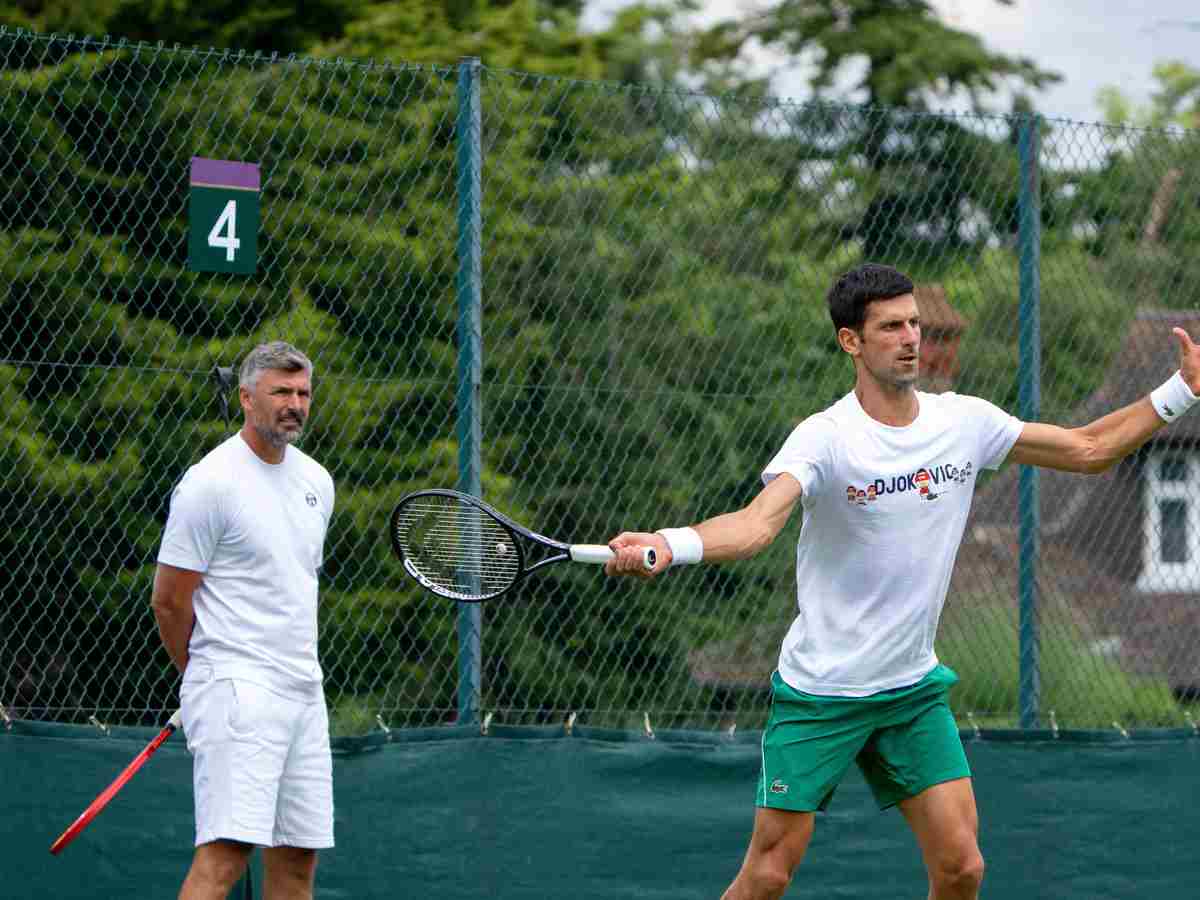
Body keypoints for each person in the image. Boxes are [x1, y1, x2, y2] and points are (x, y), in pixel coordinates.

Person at [604, 263, 1200, 900]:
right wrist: (670, 544)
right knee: (769, 874)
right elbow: (755, 526)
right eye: (890, 327)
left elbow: (1088, 448)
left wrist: (1183, 390)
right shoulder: (826, 437)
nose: (911, 337)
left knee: (962, 867)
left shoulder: (963, 423)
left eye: (914, 322)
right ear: (851, 342)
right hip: (822, 693)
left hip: (911, 692)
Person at [152, 341, 336, 900]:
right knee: (226, 858)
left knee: (298, 862)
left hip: (304, 690)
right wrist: (208, 674)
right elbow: (169, 600)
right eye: (281, 391)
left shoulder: (317, 483)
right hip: (236, 689)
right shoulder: (210, 482)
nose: (295, 404)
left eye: (303, 392)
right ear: (246, 397)